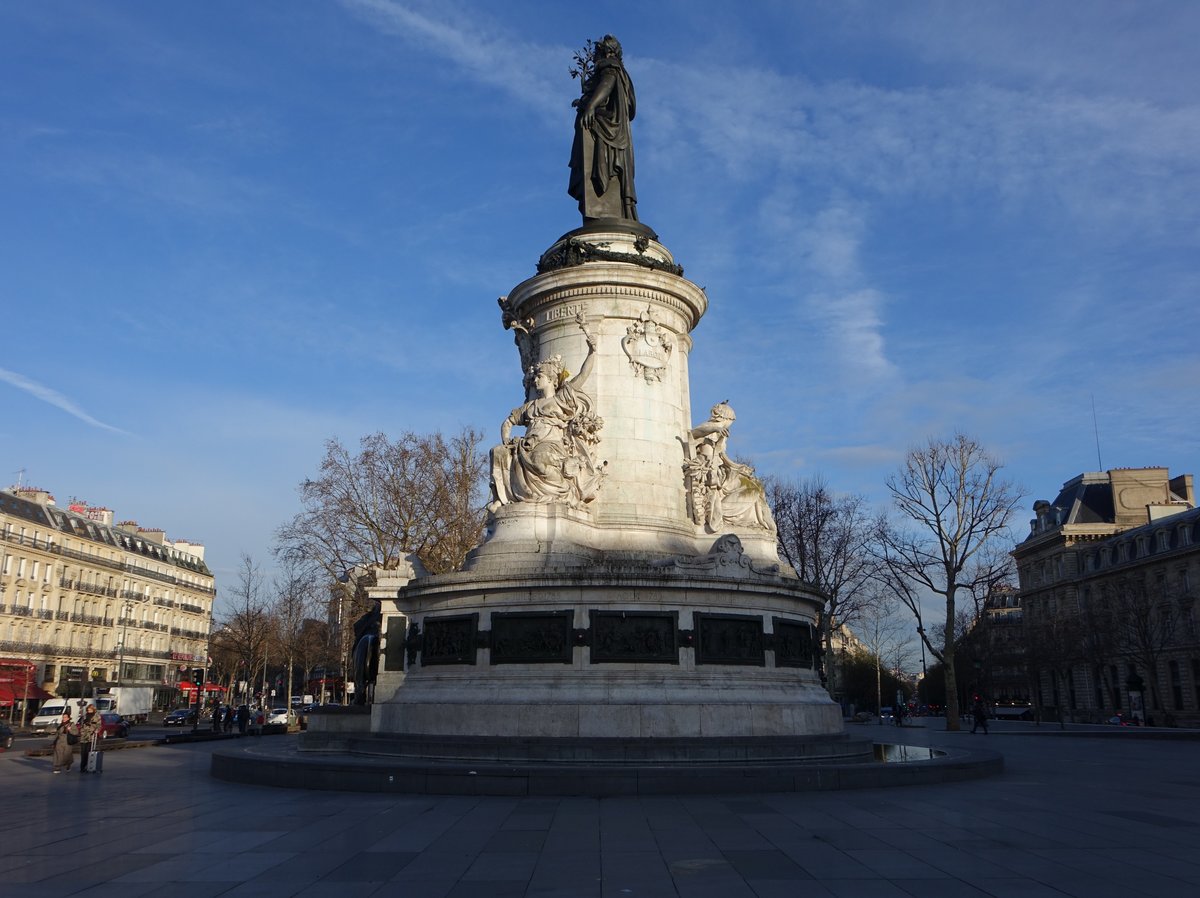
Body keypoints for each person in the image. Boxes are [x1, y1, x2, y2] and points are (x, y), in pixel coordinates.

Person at [488, 316, 606, 511]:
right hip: (529, 444)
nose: (535, 381)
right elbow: (508, 422)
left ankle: (555, 493)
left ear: (551, 379)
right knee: (499, 452)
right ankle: (501, 497)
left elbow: (583, 376)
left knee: (540, 459)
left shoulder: (561, 399)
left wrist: (592, 352)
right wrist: (506, 438)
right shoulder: (530, 406)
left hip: (551, 445)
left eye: (539, 377)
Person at [568, 34, 638, 222]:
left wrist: (591, 106)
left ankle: (606, 209)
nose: (595, 59)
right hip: (613, 131)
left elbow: (607, 85)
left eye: (597, 53)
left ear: (605, 52)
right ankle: (620, 209)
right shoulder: (620, 73)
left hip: (607, 131)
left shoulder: (610, 67)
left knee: (606, 170)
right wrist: (586, 101)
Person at [78, 703, 101, 773]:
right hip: (84, 735)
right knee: (83, 752)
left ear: (93, 710)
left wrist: (96, 730)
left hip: (91, 735)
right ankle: (82, 766)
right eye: (88, 710)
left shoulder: (97, 716)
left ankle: (89, 765)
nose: (89, 711)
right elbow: (80, 724)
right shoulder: (85, 716)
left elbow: (99, 725)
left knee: (89, 751)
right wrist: (82, 724)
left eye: (90, 710)